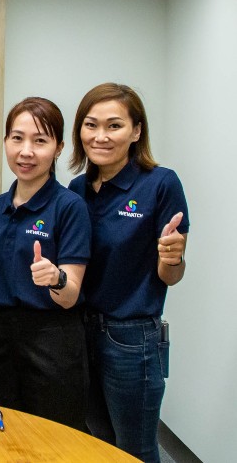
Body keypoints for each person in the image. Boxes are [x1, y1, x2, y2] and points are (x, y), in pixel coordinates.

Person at [68, 83, 189, 462]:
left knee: (135, 449)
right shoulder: (78, 189)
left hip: (131, 338)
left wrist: (172, 257)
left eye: (114, 125)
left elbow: (170, 276)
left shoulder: (160, 184)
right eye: (91, 125)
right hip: (80, 330)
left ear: (136, 131)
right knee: (96, 442)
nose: (100, 136)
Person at [0, 97, 91, 430]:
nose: (26, 151)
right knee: (3, 433)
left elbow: (70, 295)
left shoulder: (69, 206)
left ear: (57, 148)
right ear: (5, 142)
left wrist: (55, 278)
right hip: (1, 337)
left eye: (40, 141)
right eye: (17, 138)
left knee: (53, 438)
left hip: (53, 339)